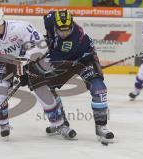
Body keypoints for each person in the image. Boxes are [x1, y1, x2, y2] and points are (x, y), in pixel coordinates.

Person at [0, 6, 76, 139]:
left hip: (28, 62)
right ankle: (3, 124)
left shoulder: (20, 28)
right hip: (4, 65)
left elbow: (40, 45)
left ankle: (59, 125)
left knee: (42, 90)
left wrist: (26, 60)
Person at [40, 10, 115, 144]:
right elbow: (48, 15)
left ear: (72, 26)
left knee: (99, 89)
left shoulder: (73, 39)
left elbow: (54, 59)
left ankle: (101, 126)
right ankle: (60, 122)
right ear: (55, 25)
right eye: (60, 30)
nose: (64, 33)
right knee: (45, 88)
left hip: (84, 59)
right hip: (64, 58)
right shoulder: (50, 20)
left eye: (67, 30)